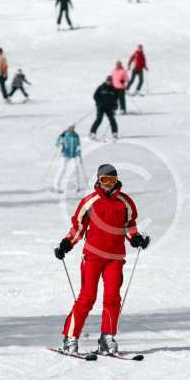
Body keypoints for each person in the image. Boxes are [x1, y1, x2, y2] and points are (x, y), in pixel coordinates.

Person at [54, 163, 151, 355]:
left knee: (112, 298)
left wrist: (136, 239)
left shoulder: (125, 202)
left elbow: (129, 226)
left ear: (117, 181)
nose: (108, 184)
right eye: (105, 180)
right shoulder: (90, 201)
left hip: (115, 258)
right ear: (98, 180)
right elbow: (79, 228)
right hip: (93, 256)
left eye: (112, 180)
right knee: (87, 297)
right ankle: (70, 338)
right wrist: (66, 244)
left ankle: (107, 337)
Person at [53, 125, 83, 193]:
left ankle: (77, 186)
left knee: (75, 170)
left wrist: (78, 152)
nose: (72, 128)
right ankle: (56, 186)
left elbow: (78, 145)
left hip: (73, 155)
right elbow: (57, 143)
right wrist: (60, 144)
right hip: (65, 154)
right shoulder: (64, 134)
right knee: (62, 169)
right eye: (71, 127)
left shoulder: (76, 135)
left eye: (73, 127)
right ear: (68, 127)